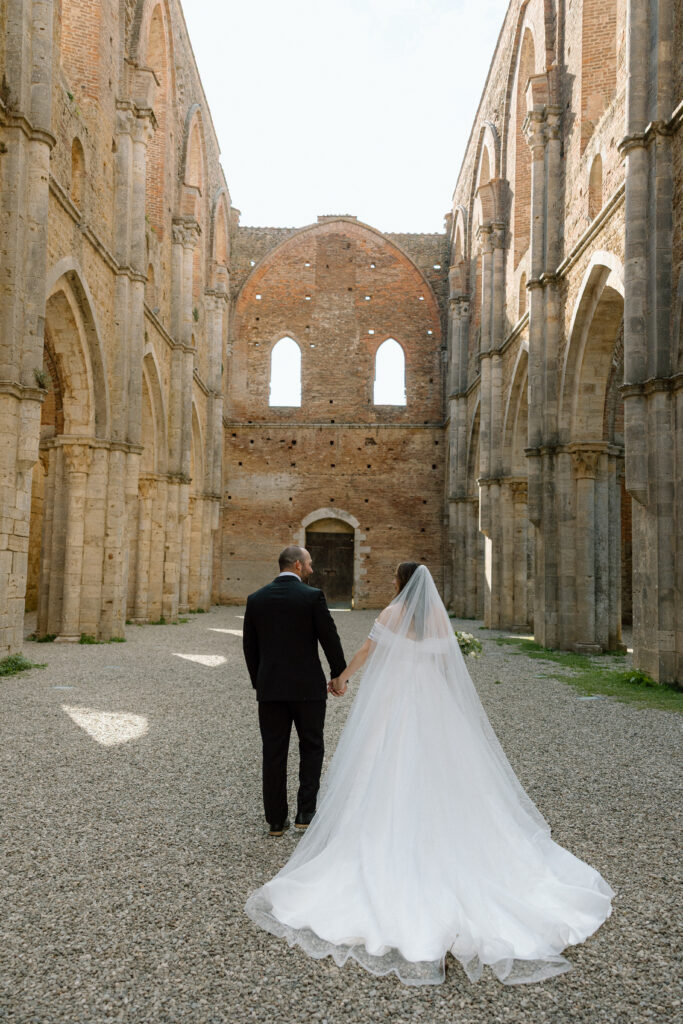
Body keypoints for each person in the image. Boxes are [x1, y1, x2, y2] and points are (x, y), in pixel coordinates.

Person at [245, 562, 614, 985]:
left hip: (395, 704)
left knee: (383, 767)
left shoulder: (391, 613)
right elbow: (445, 664)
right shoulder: (436, 617)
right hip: (433, 703)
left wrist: (342, 678)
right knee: (449, 772)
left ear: (401, 584)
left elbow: (367, 651)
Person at [242, 545, 347, 837]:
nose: (312, 568)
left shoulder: (256, 599)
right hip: (307, 688)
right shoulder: (312, 596)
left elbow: (250, 647)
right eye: (309, 563)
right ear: (298, 565)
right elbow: (330, 638)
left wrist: (260, 682)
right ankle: (305, 812)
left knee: (273, 751)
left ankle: (276, 820)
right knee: (311, 747)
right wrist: (338, 676)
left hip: (271, 689)